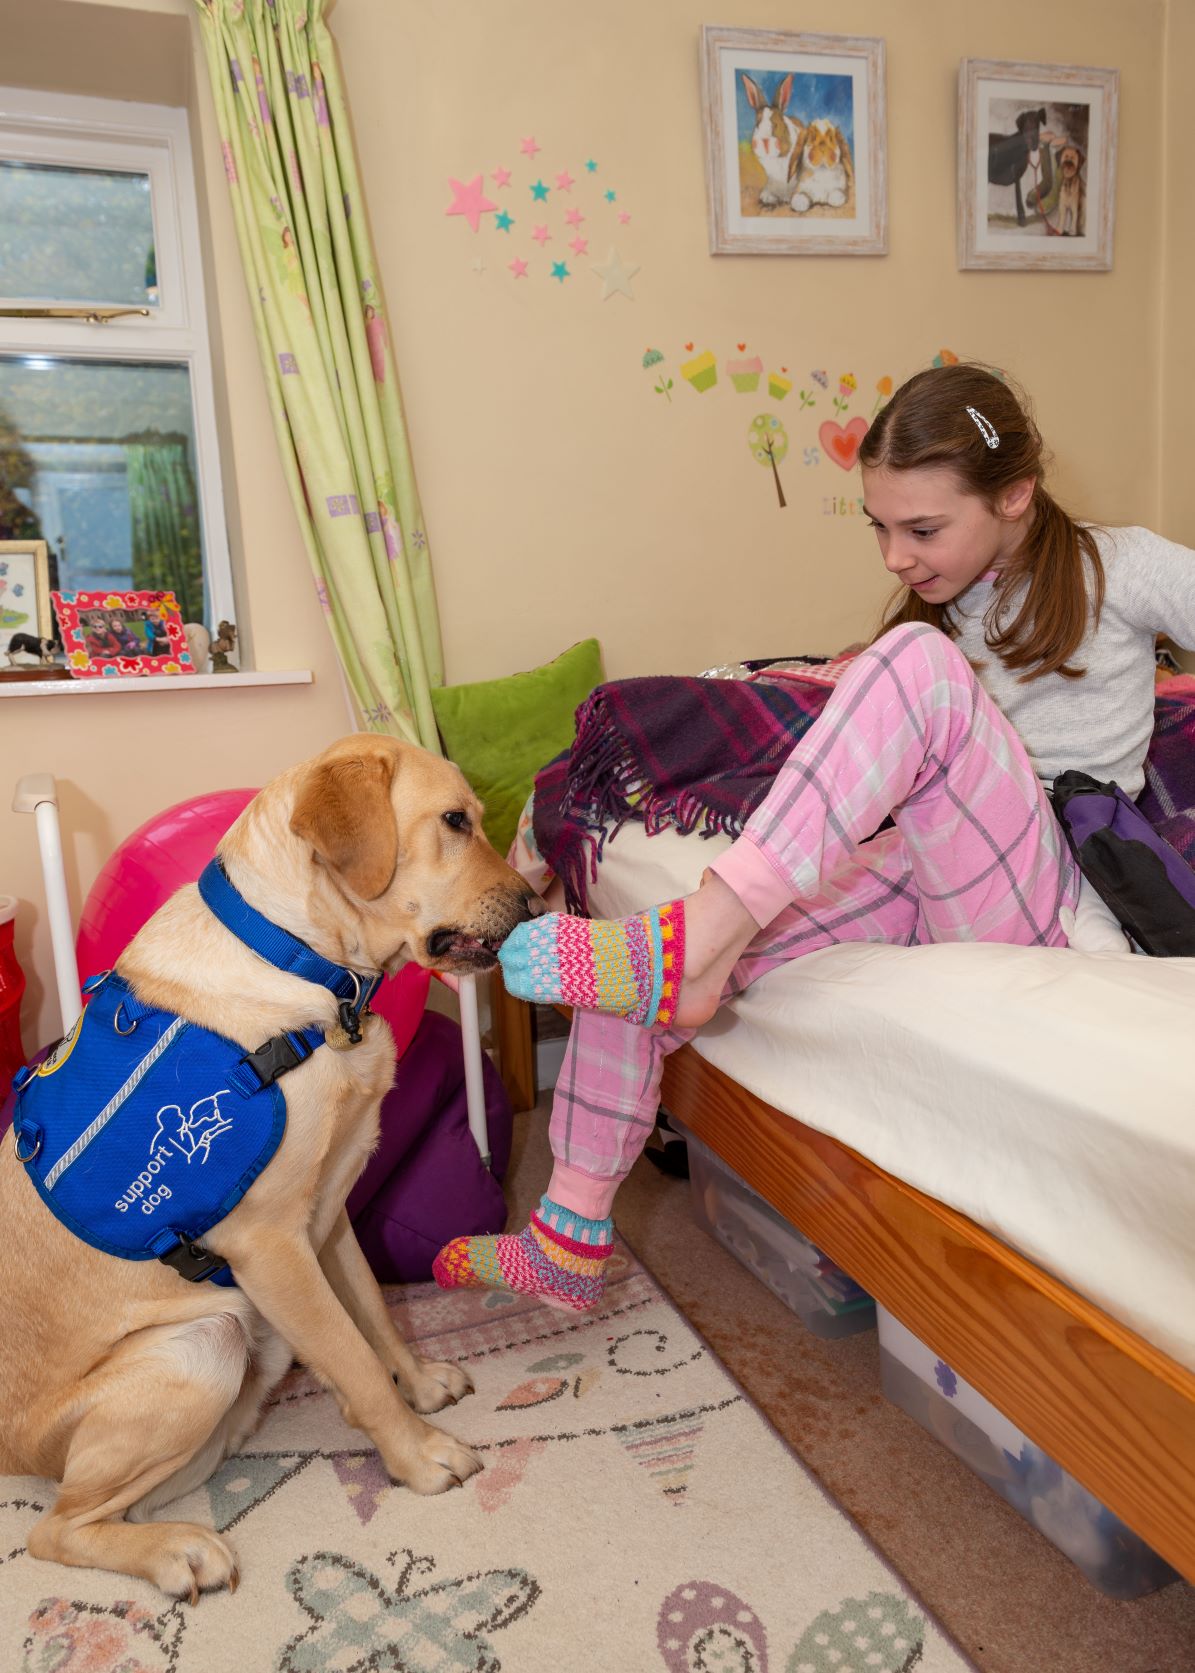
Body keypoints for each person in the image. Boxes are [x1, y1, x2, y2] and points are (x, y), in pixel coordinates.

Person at [433, 362, 1195, 1313]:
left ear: (1014, 496)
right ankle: (568, 1230)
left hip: (1047, 879)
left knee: (908, 666)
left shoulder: (1117, 567)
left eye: (920, 528)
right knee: (639, 957)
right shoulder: (949, 598)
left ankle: (698, 941)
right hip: (932, 863)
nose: (893, 556)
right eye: (878, 526)